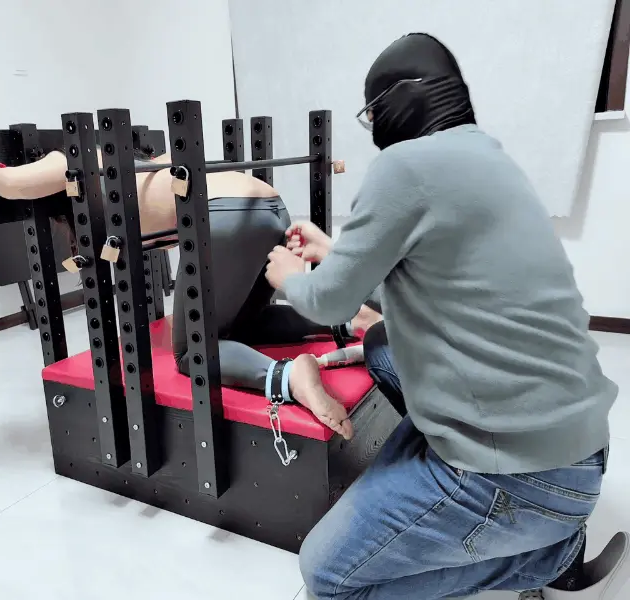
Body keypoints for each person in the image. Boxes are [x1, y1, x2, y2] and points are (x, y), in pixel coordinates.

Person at [266, 33, 628, 600]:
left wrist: (289, 276)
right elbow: (438, 282)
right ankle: (499, 505)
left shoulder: (403, 166)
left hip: (525, 477)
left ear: (396, 101)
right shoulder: (488, 157)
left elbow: (330, 302)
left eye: (371, 114)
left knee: (327, 577)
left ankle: (548, 557)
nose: (374, 128)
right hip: (581, 448)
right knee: (382, 344)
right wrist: (335, 252)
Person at [0, 147, 369, 439]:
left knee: (192, 352)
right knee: (242, 324)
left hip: (224, 214)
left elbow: (7, 184)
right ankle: (349, 319)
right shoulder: (147, 166)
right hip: (269, 207)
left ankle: (288, 377)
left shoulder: (71, 158)